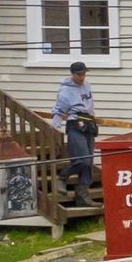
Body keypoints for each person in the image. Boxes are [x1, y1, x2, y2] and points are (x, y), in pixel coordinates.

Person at [52, 61, 99, 204]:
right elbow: (59, 110)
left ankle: (83, 195)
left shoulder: (87, 84)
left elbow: (89, 104)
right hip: (75, 123)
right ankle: (63, 176)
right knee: (82, 161)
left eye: (84, 73)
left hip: (89, 123)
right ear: (72, 74)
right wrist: (56, 126)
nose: (82, 77)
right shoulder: (65, 90)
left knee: (89, 161)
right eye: (79, 74)